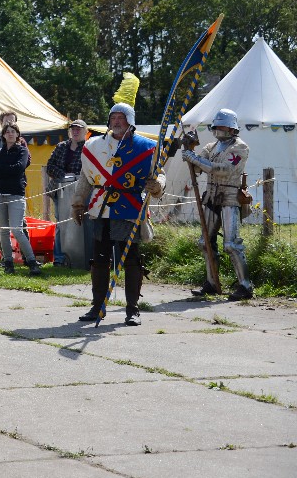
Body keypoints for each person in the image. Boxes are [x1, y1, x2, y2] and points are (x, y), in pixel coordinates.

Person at [72, 97, 165, 326]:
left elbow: (159, 173)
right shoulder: (94, 145)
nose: (116, 122)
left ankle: (132, 310)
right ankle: (97, 306)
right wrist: (77, 202)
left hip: (129, 207)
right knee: (100, 260)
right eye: (113, 118)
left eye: (121, 118)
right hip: (101, 207)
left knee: (131, 260)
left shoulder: (146, 147)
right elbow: (86, 177)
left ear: (130, 122)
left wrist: (158, 185)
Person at [182, 108, 254, 300]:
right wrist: (189, 151)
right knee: (205, 242)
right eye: (217, 125)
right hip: (212, 197)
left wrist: (194, 159)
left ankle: (245, 286)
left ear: (232, 128)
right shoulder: (211, 147)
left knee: (231, 244)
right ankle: (212, 282)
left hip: (230, 198)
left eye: (223, 125)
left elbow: (222, 170)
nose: (218, 129)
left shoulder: (240, 147)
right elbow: (199, 167)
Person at [0, 123, 42, 276]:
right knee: (3, 230)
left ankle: (31, 262)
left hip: (16, 194)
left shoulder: (23, 151)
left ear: (18, 135)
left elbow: (19, 168)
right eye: (7, 131)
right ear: (3, 135)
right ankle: (8, 263)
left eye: (13, 131)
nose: (10, 134)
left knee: (17, 229)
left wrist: (0, 170)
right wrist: (3, 170)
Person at [44, 120, 88, 266]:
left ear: (85, 131)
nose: (75, 131)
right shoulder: (61, 147)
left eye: (78, 129)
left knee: (81, 223)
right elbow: (50, 166)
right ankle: (59, 258)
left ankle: (81, 257)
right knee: (60, 224)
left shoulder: (89, 148)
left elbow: (88, 169)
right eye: (73, 129)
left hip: (81, 191)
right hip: (60, 191)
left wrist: (74, 176)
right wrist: (63, 175)